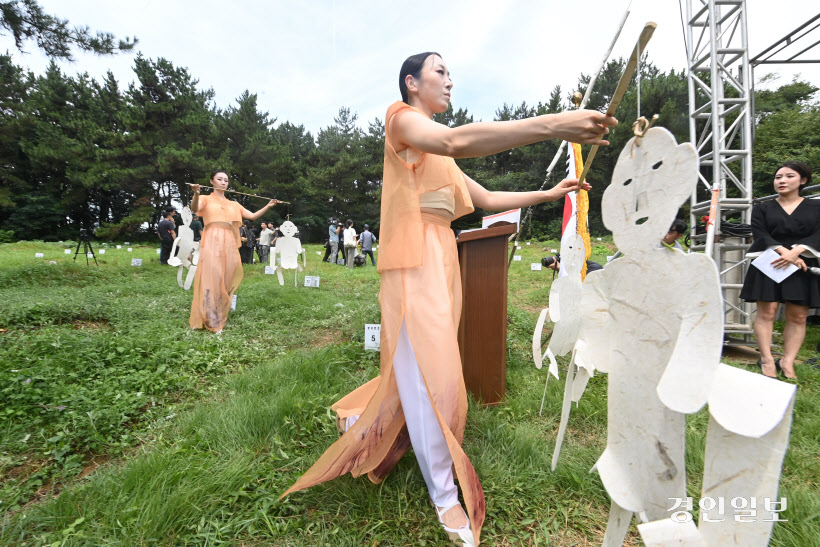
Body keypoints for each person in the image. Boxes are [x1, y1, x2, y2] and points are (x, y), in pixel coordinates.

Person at [281, 52, 616, 545]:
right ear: (411, 83)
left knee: (425, 368)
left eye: (450, 73)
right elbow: (458, 137)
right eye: (440, 71)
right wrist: (553, 125)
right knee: (432, 375)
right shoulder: (402, 120)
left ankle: (370, 422)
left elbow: (486, 200)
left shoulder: (441, 155)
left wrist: (550, 195)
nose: (449, 81)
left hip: (440, 259)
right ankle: (443, 494)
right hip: (412, 260)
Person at [740, 160, 819, 380]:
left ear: (803, 180)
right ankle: (766, 360)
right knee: (767, 313)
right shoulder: (763, 207)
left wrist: (797, 252)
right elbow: (761, 233)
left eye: (789, 176)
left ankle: (787, 361)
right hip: (770, 262)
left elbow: (818, 234)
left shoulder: (816, 207)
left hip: (803, 261)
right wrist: (786, 253)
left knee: (798, 316)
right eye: (778, 177)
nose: (782, 180)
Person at [189, 170, 280, 333]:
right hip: (212, 239)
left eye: (226, 180)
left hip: (229, 242)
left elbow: (252, 216)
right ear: (211, 181)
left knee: (227, 275)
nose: (223, 182)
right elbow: (195, 208)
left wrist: (268, 205)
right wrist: (196, 194)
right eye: (219, 179)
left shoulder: (234, 204)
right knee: (213, 275)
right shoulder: (205, 199)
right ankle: (212, 317)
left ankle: (217, 309)